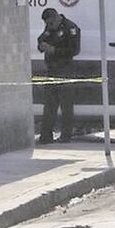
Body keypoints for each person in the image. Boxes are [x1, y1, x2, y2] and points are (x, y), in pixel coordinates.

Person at [36, 8, 81, 144]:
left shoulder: (70, 28)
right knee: (49, 104)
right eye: (47, 23)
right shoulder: (50, 27)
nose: (50, 26)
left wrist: (54, 50)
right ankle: (46, 136)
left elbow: (74, 50)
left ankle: (66, 135)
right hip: (51, 70)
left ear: (56, 18)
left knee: (66, 105)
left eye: (51, 23)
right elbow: (41, 39)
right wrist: (42, 46)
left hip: (65, 69)